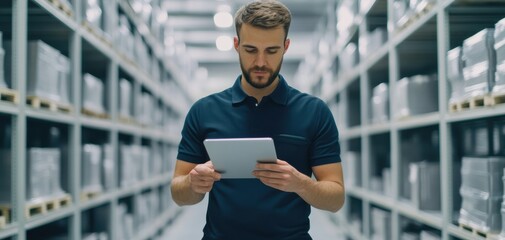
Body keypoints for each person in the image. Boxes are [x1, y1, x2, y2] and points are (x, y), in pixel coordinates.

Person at [170, 0, 345, 239]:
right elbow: (178, 193)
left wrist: (301, 184)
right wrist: (193, 184)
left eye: (271, 51)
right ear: (236, 44)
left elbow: (335, 199)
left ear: (286, 46)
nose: (261, 62)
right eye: (251, 50)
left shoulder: (314, 112)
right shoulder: (204, 111)